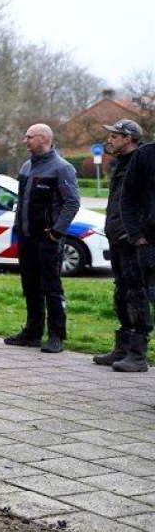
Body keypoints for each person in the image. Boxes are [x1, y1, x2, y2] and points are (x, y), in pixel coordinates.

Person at [4, 123, 80, 354]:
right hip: (26, 237)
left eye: (29, 137)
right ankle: (33, 332)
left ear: (44, 139)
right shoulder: (27, 166)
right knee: (30, 285)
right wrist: (18, 227)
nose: (25, 141)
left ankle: (57, 335)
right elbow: (22, 201)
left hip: (48, 239)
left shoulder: (62, 168)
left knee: (51, 287)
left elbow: (72, 203)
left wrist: (56, 232)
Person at [117, 124, 155, 372]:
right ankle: (136, 353)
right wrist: (137, 236)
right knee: (144, 296)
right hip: (149, 244)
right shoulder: (145, 155)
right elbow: (127, 198)